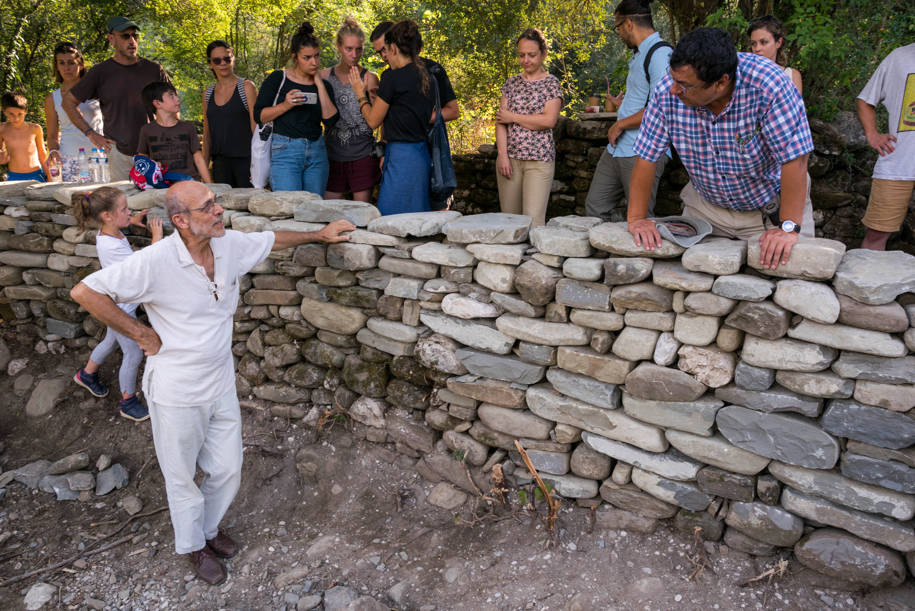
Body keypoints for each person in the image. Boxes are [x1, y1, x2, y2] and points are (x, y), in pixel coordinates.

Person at [70, 180, 355, 585]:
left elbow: (271, 238)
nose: (218, 210)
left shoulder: (227, 245)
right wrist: (140, 334)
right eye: (207, 207)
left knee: (228, 468)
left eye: (215, 202)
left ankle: (206, 529)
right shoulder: (155, 260)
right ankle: (192, 545)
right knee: (181, 475)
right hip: (176, 390)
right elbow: (86, 291)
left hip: (220, 381)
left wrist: (318, 233)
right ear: (181, 220)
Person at [627, 27, 815, 270]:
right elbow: (646, 155)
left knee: (795, 286)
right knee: (690, 289)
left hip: (771, 209)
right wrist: (637, 219)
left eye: (684, 85)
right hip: (705, 210)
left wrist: (788, 228)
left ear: (721, 82)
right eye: (673, 79)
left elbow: (795, 159)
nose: (674, 89)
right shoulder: (668, 91)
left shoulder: (769, 85)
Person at [71, 187, 163, 421]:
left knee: (111, 340)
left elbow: (121, 228)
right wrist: (156, 239)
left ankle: (86, 375)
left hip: (119, 303)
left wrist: (131, 220)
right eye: (124, 210)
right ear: (107, 216)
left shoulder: (110, 232)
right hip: (119, 309)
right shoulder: (109, 246)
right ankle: (128, 402)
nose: (129, 211)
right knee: (133, 353)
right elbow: (141, 267)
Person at [584, 0, 672, 221]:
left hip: (644, 150)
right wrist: (624, 108)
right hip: (618, 148)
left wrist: (620, 123)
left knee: (639, 218)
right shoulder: (639, 54)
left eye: (618, 27)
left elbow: (661, 109)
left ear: (629, 24)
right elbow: (645, 100)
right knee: (595, 208)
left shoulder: (660, 54)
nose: (620, 34)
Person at [62, 16, 170, 182]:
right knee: (121, 204)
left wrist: (170, 138)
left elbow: (173, 106)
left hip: (153, 151)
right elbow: (68, 102)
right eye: (125, 36)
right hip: (119, 155)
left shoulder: (154, 70)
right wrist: (91, 134)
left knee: (157, 203)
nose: (132, 41)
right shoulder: (101, 72)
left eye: (135, 36)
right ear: (111, 39)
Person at [351, 20, 435, 215]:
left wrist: (360, 94)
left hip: (400, 156)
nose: (384, 55)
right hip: (421, 154)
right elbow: (406, 112)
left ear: (394, 48)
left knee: (389, 219)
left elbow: (372, 121)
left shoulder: (391, 78)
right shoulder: (426, 75)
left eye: (385, 50)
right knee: (416, 217)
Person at [254, 22, 338, 193]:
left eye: (317, 56)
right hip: (285, 150)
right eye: (307, 57)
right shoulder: (278, 78)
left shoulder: (325, 85)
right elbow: (259, 116)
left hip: (317, 151)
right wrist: (286, 104)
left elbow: (331, 120)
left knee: (314, 210)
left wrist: (319, 84)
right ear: (295, 57)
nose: (314, 62)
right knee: (288, 208)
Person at [494, 28, 562, 227]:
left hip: (539, 161)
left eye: (531, 55)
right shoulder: (511, 83)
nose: (526, 60)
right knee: (509, 222)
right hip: (510, 161)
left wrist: (513, 117)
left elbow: (548, 121)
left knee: (533, 222)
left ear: (543, 53)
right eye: (521, 55)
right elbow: (500, 122)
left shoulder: (551, 84)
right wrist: (503, 155)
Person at [856, 42, 915, 250]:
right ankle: (862, 282)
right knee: (876, 235)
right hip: (898, 165)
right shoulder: (899, 58)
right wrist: (872, 134)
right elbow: (865, 100)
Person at [319, 17, 381, 201]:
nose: (354, 54)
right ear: (339, 47)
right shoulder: (323, 76)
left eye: (359, 49)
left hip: (363, 154)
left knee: (361, 214)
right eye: (349, 49)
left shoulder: (370, 78)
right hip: (331, 155)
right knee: (328, 213)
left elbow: (378, 120)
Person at [369, 21, 459, 123]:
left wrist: (418, 119)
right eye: (379, 52)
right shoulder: (387, 75)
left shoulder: (433, 69)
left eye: (384, 48)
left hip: (430, 138)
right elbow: (382, 122)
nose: (383, 55)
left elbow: (453, 111)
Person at [44, 42, 104, 183]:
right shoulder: (52, 98)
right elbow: (52, 136)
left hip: (99, 156)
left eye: (71, 62)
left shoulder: (97, 91)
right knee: (75, 202)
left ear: (81, 64)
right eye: (62, 63)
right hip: (70, 158)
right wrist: (53, 152)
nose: (67, 68)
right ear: (56, 67)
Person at [202, 40, 257, 188]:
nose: (223, 63)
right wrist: (204, 172)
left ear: (233, 59)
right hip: (220, 165)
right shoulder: (208, 94)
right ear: (210, 64)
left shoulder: (246, 87)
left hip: (247, 163)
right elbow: (207, 136)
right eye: (217, 60)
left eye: (227, 58)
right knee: (223, 209)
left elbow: (257, 129)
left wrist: (259, 165)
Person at [137, 81, 212, 182]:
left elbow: (198, 158)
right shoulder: (146, 130)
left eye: (176, 95)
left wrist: (210, 184)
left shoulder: (188, 127)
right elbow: (142, 157)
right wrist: (151, 166)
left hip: (190, 183)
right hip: (161, 186)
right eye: (171, 96)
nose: (177, 99)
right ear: (157, 103)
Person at [0, 92, 49, 182]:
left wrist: (50, 177)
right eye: (11, 114)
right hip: (14, 177)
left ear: (25, 111)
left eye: (20, 114)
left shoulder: (35, 128)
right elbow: (1, 154)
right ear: (4, 111)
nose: (16, 119)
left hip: (37, 175)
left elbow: (42, 155)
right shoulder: (2, 129)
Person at [747, 16, 802, 94]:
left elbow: (796, 106)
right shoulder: (745, 74)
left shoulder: (791, 76)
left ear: (778, 43)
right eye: (753, 43)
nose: (757, 48)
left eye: (764, 42)